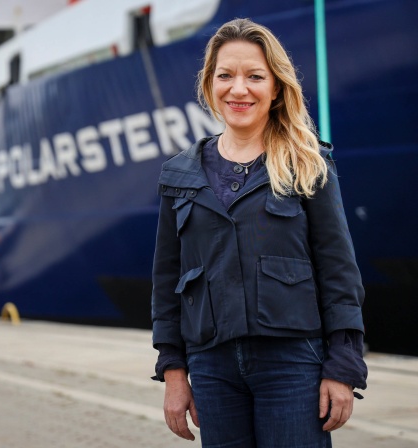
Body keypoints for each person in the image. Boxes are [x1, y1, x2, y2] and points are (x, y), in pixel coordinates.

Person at [151, 18, 367, 448]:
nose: (239, 89)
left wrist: (343, 366)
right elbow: (165, 282)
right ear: (209, 84)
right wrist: (174, 373)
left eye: (254, 76)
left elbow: (339, 272)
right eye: (225, 75)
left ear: (276, 87)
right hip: (211, 367)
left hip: (293, 364)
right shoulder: (179, 175)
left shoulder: (308, 165)